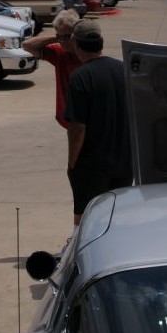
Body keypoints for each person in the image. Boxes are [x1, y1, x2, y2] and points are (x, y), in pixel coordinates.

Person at [64, 18, 133, 227]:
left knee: (86, 217)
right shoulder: (124, 70)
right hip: (124, 162)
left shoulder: (80, 77)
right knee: (117, 215)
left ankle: (80, 245)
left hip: (92, 166)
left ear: (76, 45)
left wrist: (72, 163)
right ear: (100, 42)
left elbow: (78, 128)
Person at [22, 9, 82, 127]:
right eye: (59, 36)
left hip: (84, 118)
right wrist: (57, 38)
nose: (62, 41)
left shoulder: (88, 56)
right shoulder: (59, 53)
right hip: (67, 119)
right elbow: (27, 45)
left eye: (66, 36)